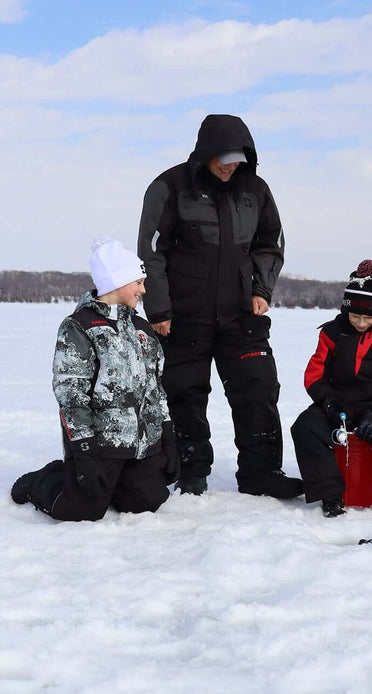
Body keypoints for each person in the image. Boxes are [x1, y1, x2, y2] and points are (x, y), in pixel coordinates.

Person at [136, 113, 302, 499]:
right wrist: (159, 310)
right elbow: (151, 250)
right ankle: (191, 471)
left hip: (242, 316)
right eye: (223, 161)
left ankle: (261, 473)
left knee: (258, 389)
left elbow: (269, 242)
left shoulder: (255, 190)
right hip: (184, 318)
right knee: (185, 394)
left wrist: (261, 289)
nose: (230, 168)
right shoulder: (170, 186)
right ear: (206, 153)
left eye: (237, 162)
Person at [10, 238, 179, 521]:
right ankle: (45, 480)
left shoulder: (141, 329)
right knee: (82, 510)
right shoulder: (80, 326)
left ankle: (118, 484)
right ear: (117, 281)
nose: (143, 290)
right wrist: (83, 452)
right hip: (100, 444)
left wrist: (167, 436)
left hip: (140, 446)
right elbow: (71, 394)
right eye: (138, 282)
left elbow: (156, 388)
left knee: (147, 502)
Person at [290, 260, 372, 518]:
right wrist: (329, 403)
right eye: (355, 316)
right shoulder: (332, 332)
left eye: (368, 317)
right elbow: (314, 375)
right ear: (346, 310)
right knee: (304, 427)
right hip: (339, 404)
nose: (361, 323)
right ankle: (330, 494)